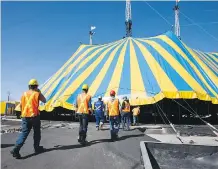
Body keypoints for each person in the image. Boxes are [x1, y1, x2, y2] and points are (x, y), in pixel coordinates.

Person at [10, 79, 46, 159]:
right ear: (36, 86)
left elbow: (21, 106)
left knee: (24, 133)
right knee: (36, 133)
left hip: (25, 116)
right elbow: (44, 100)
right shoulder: (37, 94)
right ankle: (36, 148)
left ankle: (16, 149)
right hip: (34, 117)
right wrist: (39, 92)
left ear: (29, 86)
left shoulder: (23, 94)